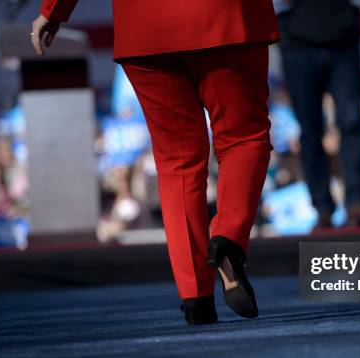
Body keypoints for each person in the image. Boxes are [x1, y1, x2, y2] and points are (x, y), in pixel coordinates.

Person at [31, 0, 280, 325]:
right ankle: (228, 239)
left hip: (145, 28)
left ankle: (195, 297)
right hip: (224, 16)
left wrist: (54, 10)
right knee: (243, 137)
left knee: (177, 160)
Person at [277, 0, 360, 228]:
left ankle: (356, 202)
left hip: (343, 41)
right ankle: (322, 209)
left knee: (351, 122)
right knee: (310, 131)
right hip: (298, 45)